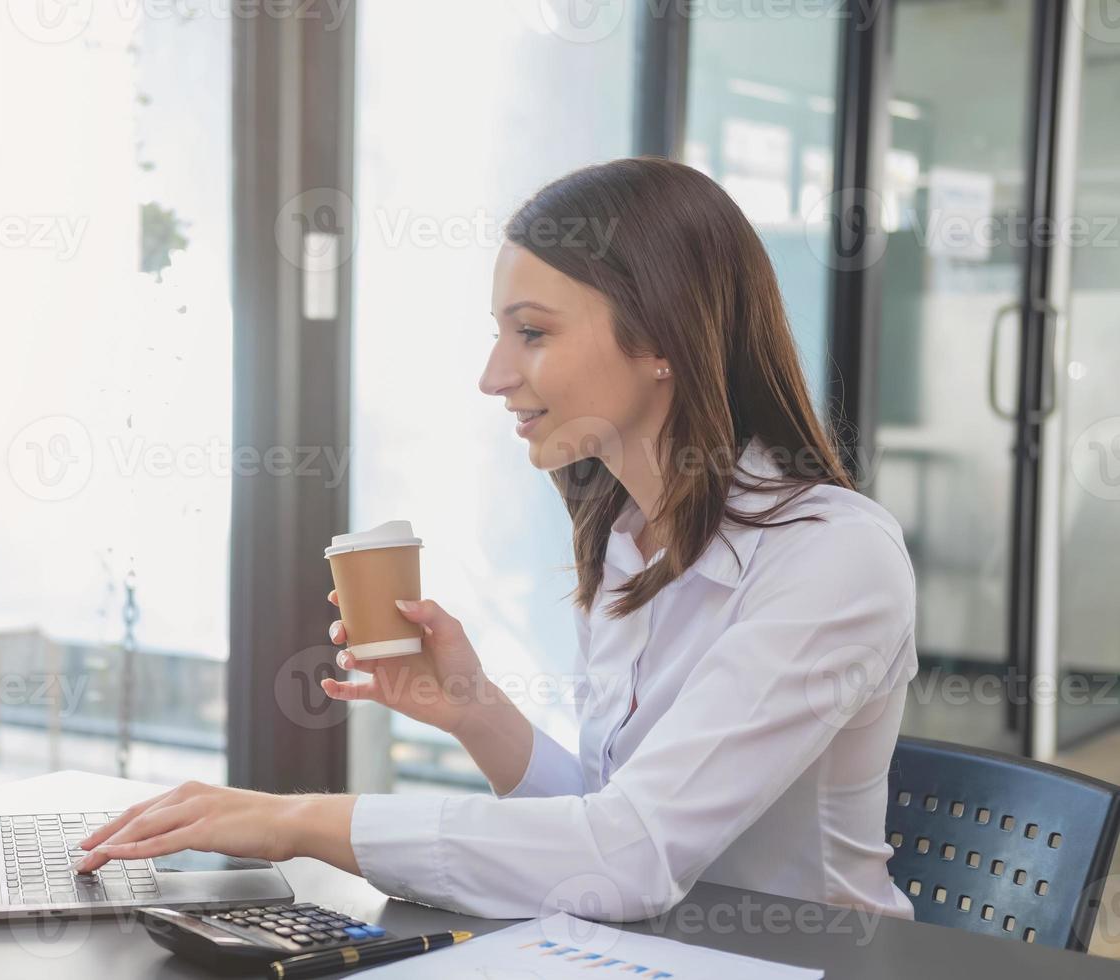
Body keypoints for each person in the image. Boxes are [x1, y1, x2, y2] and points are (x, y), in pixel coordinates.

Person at [74, 157, 918, 922]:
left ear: (661, 337)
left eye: (534, 332)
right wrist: (472, 708)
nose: (493, 375)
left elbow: (629, 856)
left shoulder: (832, 559)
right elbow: (607, 812)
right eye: (498, 332)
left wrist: (296, 820)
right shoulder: (628, 538)